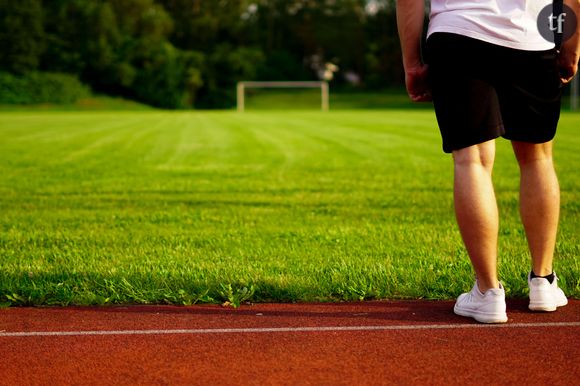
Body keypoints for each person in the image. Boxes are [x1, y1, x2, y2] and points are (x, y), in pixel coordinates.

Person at [396, 0, 580, 323]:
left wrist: (412, 63)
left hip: (457, 33)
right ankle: (543, 281)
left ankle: (487, 292)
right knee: (537, 157)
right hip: (530, 36)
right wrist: (571, 45)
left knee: (472, 161)